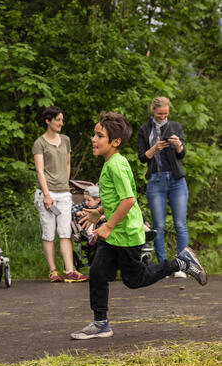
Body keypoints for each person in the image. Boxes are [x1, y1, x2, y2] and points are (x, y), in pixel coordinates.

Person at [71, 112, 207, 340]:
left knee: (135, 279)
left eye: (99, 135)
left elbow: (129, 200)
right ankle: (101, 323)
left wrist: (108, 226)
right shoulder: (113, 163)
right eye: (94, 134)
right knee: (97, 271)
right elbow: (121, 196)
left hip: (125, 233)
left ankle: (180, 262)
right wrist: (99, 212)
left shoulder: (115, 165)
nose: (93, 139)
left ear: (115, 142)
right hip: (117, 233)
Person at [32, 107, 88, 283]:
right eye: (58, 120)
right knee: (49, 233)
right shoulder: (39, 143)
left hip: (64, 193)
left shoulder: (65, 140)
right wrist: (47, 195)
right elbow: (40, 171)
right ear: (48, 121)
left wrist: (64, 182)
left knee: (65, 232)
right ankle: (53, 271)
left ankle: (70, 271)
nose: (61, 123)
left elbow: (68, 163)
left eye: (62, 120)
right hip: (46, 194)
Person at [137, 97, 189, 278]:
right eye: (160, 113)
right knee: (158, 226)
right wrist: (155, 148)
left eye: (166, 113)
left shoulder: (175, 126)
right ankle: (163, 267)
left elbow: (182, 155)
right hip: (155, 181)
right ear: (153, 110)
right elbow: (142, 157)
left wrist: (178, 145)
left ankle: (182, 266)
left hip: (176, 181)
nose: (163, 116)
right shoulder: (144, 129)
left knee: (180, 224)